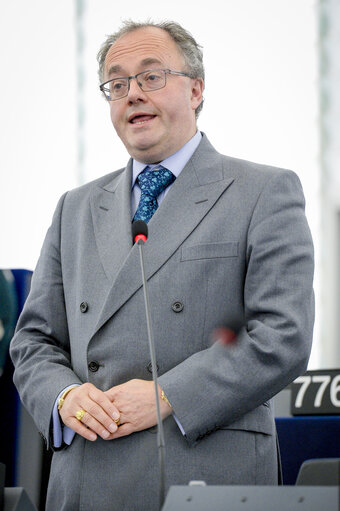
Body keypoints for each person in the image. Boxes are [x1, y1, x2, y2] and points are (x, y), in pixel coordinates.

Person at [10, 20, 314, 511]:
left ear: (195, 90)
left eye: (151, 76)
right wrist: (64, 398)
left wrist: (166, 394)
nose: (132, 93)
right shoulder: (76, 207)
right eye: (117, 83)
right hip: (88, 475)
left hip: (205, 470)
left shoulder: (264, 191)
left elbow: (282, 333)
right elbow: (34, 340)